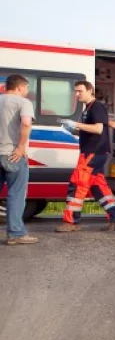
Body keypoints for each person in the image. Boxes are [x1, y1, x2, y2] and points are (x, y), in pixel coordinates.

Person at [55, 81, 115, 232]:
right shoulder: (88, 108)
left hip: (93, 152)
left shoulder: (96, 107)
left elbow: (99, 129)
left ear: (90, 90)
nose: (77, 94)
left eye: (80, 91)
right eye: (75, 91)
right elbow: (92, 129)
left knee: (78, 184)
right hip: (95, 152)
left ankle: (71, 222)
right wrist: (74, 129)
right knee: (98, 188)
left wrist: (76, 125)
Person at [0, 74, 38, 245]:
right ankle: (15, 233)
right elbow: (25, 123)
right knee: (16, 194)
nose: (27, 92)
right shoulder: (23, 103)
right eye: (27, 88)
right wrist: (21, 147)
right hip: (13, 155)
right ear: (20, 88)